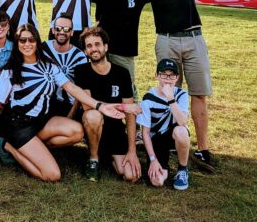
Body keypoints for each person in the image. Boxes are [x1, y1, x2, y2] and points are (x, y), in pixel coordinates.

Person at [138, 0, 257, 172]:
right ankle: (173, 137)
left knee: (198, 93)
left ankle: (203, 148)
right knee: (167, 91)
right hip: (166, 39)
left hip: (193, 37)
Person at [0, 24, 141, 182]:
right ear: (17, 43)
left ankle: (28, 148)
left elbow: (73, 89)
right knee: (52, 175)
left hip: (41, 121)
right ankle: (11, 147)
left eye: (31, 39)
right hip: (18, 126)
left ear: (37, 41)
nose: (26, 43)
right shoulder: (10, 70)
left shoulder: (48, 66)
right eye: (22, 40)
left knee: (76, 131)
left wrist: (100, 106)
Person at [74, 27, 140, 183]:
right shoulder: (81, 71)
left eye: (97, 44)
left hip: (115, 130)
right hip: (92, 125)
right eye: (89, 46)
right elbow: (88, 107)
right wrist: (121, 107)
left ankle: (109, 155)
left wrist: (132, 150)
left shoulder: (122, 73)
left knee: (131, 175)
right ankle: (94, 158)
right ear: (85, 51)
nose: (94, 49)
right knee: (93, 115)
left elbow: (130, 115)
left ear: (106, 47)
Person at [91, 0, 149, 97]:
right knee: (101, 86)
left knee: (127, 89)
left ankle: (132, 119)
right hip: (101, 47)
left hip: (125, 49)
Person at [137, 59, 191, 190]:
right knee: (158, 181)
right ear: (156, 75)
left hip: (173, 135)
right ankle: (159, 161)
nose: (168, 79)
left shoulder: (181, 94)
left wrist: (171, 99)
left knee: (181, 131)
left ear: (177, 77)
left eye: (172, 75)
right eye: (164, 75)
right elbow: (145, 133)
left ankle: (182, 169)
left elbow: (182, 121)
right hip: (156, 140)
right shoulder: (148, 99)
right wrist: (153, 159)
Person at [42, 13, 87, 118]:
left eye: (66, 29)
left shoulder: (79, 57)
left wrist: (70, 115)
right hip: (45, 103)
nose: (61, 32)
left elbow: (82, 89)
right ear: (53, 31)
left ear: (72, 32)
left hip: (69, 105)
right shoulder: (43, 49)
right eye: (58, 28)